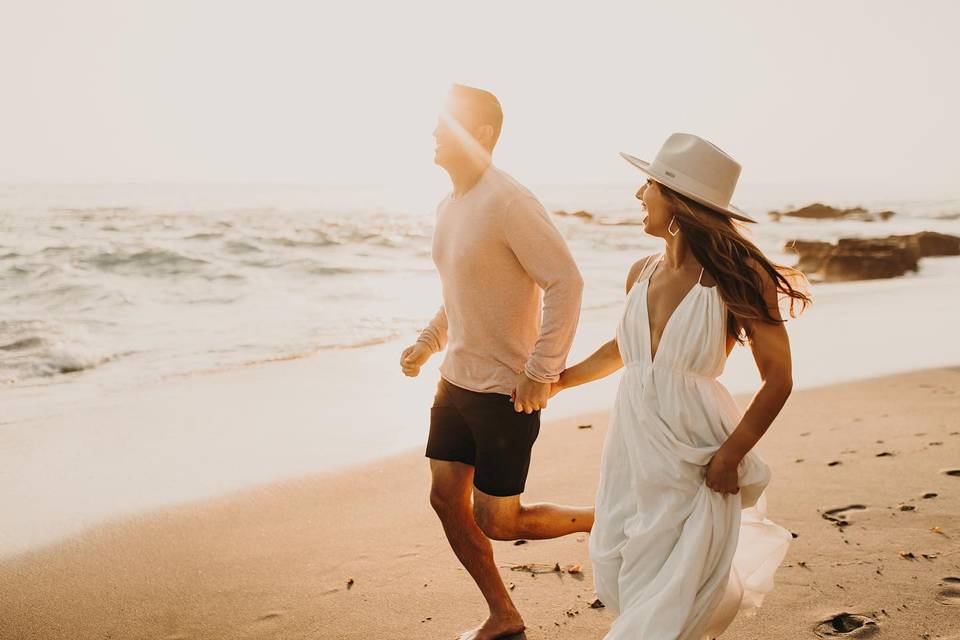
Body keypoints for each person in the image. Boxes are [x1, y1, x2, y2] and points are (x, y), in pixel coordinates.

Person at [551, 133, 811, 639]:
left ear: (677, 199)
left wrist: (730, 456)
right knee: (623, 561)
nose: (637, 196)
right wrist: (559, 382)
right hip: (632, 445)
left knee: (674, 586)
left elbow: (778, 380)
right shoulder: (639, 273)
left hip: (695, 449)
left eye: (646, 185)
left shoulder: (740, 276)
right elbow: (626, 352)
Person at [399, 84, 593, 640]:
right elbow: (461, 291)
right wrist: (427, 341)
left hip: (504, 393)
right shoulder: (450, 205)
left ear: (482, 134)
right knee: (444, 497)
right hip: (454, 381)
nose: (436, 132)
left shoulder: (509, 201)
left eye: (449, 123)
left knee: (500, 521)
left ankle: (614, 521)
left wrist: (541, 370)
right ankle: (503, 613)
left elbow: (566, 281)